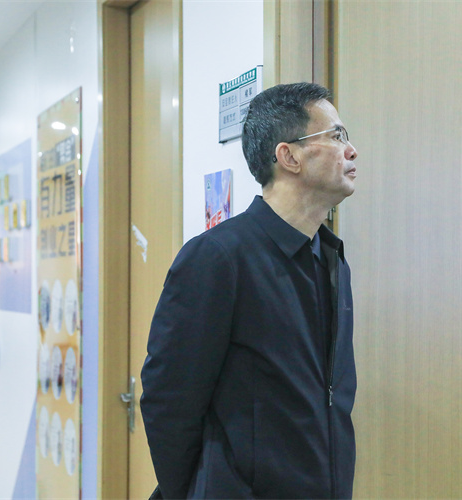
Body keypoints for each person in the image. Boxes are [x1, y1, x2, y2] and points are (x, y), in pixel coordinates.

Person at [140, 82, 359, 499]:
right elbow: (168, 399)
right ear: (289, 156)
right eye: (336, 136)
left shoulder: (332, 260)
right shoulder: (218, 257)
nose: (351, 150)